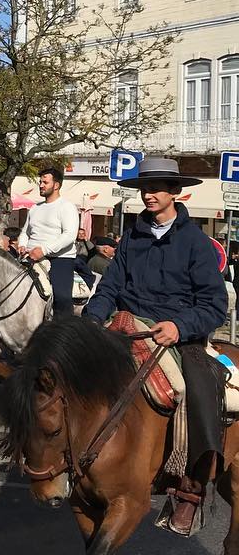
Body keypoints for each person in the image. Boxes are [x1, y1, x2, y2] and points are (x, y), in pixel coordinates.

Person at [84, 157, 228, 536]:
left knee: (197, 386)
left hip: (176, 332)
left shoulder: (196, 242)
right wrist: (92, 319)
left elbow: (214, 305)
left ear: (175, 192)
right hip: (128, 325)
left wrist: (179, 327)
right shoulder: (131, 237)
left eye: (157, 188)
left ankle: (191, 488)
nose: (149, 194)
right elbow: (110, 287)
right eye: (145, 188)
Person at [18, 167, 79, 316]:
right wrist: (22, 245)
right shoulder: (35, 208)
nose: (41, 185)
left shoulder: (67, 207)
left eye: (45, 182)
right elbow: (25, 232)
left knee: (62, 297)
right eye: (40, 182)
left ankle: (65, 327)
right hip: (30, 256)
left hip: (60, 259)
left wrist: (44, 250)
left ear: (56, 185)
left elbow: (69, 235)